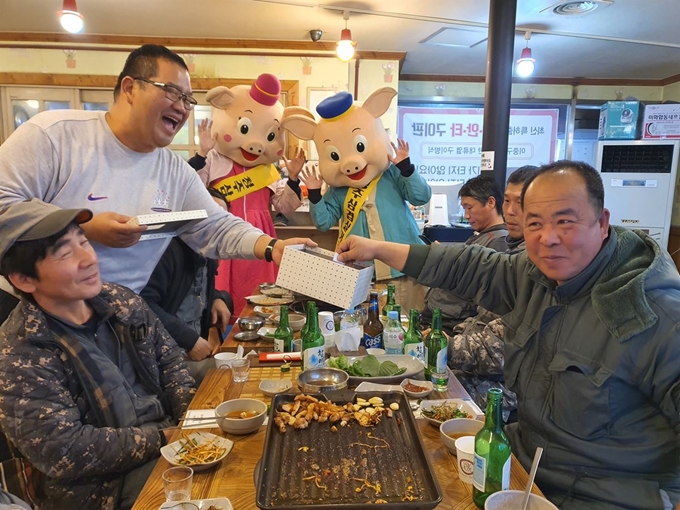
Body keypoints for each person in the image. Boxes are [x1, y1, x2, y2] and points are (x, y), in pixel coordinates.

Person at [336, 161, 680, 510]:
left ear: (602, 223)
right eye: (535, 223)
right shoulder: (536, 276)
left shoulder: (653, 313)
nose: (548, 238)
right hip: (523, 469)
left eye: (565, 221)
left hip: (604, 497)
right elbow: (467, 266)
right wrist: (377, 249)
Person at [0, 44, 313, 316]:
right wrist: (86, 226)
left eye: (188, 100)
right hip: (31, 311)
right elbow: (5, 206)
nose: (182, 107)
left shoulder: (174, 170)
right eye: (172, 92)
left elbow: (212, 224)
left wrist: (272, 246)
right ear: (130, 88)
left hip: (120, 315)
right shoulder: (55, 134)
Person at [0, 199, 195, 510]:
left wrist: (192, 425)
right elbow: (62, 450)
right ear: (24, 279)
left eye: (84, 241)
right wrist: (163, 439)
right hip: (103, 488)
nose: (88, 258)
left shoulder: (119, 300)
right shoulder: (21, 350)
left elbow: (170, 361)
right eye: (65, 252)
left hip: (171, 439)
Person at [447, 166, 538, 423]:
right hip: (477, 365)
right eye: (507, 201)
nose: (509, 210)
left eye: (521, 203)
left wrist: (445, 346)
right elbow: (481, 313)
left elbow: (502, 350)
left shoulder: (537, 264)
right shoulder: (512, 250)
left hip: (503, 389)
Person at [141, 237, 233, 383]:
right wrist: (189, 340)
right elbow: (143, 303)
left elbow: (193, 286)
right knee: (231, 376)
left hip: (193, 348)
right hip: (166, 358)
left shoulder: (204, 247)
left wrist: (215, 298)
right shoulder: (167, 250)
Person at [422, 174, 508, 331]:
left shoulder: (498, 242)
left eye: (470, 208)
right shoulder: (482, 236)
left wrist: (447, 261)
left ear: (491, 202)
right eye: (464, 209)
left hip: (452, 325)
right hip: (439, 316)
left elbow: (482, 294)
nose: (467, 215)